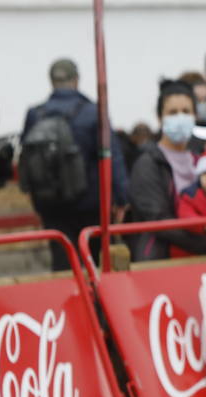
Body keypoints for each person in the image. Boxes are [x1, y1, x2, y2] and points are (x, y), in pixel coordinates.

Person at [22, 58, 130, 270]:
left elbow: (26, 156)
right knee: (91, 258)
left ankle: (66, 300)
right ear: (76, 80)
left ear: (52, 81)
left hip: (49, 202)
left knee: (62, 258)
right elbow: (112, 155)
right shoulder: (94, 112)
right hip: (89, 201)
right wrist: (122, 197)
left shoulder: (35, 114)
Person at [129, 81, 206, 262]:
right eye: (173, 113)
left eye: (186, 111)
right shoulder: (147, 164)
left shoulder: (203, 156)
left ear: (195, 115)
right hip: (162, 256)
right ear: (160, 118)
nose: (180, 117)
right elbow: (160, 221)